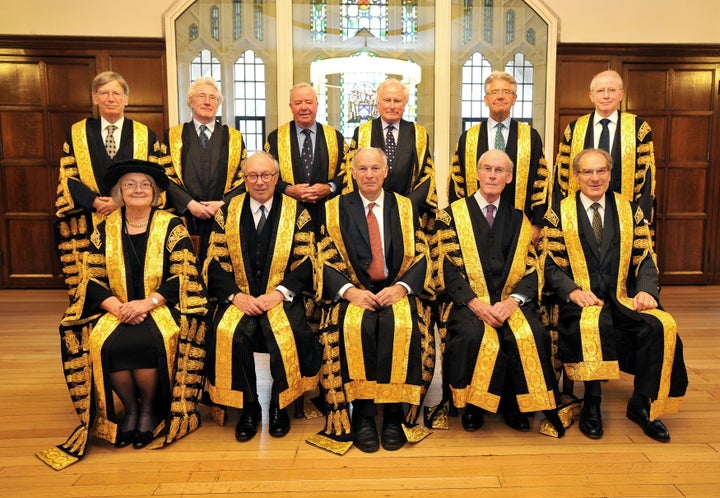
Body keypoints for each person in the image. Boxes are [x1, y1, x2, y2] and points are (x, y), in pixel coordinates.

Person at [37, 159, 208, 470]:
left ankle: (149, 412)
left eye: (145, 185)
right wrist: (117, 307)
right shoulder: (105, 229)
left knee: (144, 342)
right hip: (117, 308)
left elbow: (184, 273)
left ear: (156, 192)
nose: (138, 189)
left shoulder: (171, 226)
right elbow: (89, 276)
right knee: (109, 343)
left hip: (159, 308)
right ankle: (131, 409)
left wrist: (147, 303)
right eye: (130, 185)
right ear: (119, 192)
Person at [543, 148, 687, 442]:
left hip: (624, 295)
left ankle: (642, 403)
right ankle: (592, 403)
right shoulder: (558, 213)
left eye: (601, 171)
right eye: (587, 172)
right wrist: (572, 291)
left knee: (659, 326)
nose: (594, 178)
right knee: (592, 324)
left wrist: (647, 290)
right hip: (582, 298)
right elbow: (548, 262)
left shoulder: (630, 210)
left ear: (610, 174)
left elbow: (645, 256)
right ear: (576, 176)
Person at [309, 147, 435, 454]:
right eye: (362, 169)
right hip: (353, 289)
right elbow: (322, 254)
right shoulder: (334, 208)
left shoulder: (404, 207)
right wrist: (349, 291)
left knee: (400, 325)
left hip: (395, 287)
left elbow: (422, 251)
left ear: (385, 171)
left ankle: (393, 416)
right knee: (356, 326)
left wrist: (403, 287)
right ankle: (364, 416)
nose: (369, 174)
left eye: (375, 168)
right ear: (352, 173)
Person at [431, 149, 564, 437]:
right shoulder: (451, 216)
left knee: (530, 333)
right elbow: (444, 265)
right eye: (487, 169)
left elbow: (532, 267)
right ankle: (473, 406)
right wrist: (474, 302)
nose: (492, 175)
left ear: (509, 177)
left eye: (499, 170)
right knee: (473, 335)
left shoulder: (520, 219)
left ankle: (517, 405)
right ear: (477, 174)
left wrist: (514, 301)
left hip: (509, 300)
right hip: (468, 301)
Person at [202, 151, 321, 442]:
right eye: (252, 176)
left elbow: (307, 262)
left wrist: (279, 294)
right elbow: (214, 262)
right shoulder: (226, 212)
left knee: (290, 329)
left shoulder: (298, 212)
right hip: (240, 297)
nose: (259, 182)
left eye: (266, 175)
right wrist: (235, 296)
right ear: (244, 179)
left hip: (281, 297)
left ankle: (280, 403)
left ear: (277, 178)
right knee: (228, 332)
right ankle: (249, 406)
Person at [55, 71, 162, 299]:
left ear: (126, 98)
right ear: (95, 97)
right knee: (93, 277)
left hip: (131, 215)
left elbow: (155, 178)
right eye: (104, 93)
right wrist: (94, 201)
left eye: (116, 92)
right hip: (89, 214)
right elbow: (68, 175)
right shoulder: (77, 133)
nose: (110, 98)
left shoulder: (145, 134)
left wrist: (118, 200)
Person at [447, 71, 550, 245]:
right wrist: (459, 220)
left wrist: (537, 224)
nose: (500, 97)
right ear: (486, 99)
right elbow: (457, 182)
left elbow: (540, 182)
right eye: (494, 92)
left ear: (514, 98)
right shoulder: (469, 137)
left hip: (519, 224)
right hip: (475, 224)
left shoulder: (530, 137)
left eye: (506, 92)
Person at [552, 70, 656, 233]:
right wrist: (559, 214)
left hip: (624, 213)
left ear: (621, 94)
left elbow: (646, 178)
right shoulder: (574, 129)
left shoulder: (638, 128)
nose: (606, 96)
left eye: (612, 90)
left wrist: (640, 218)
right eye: (600, 91)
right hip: (581, 212)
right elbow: (562, 176)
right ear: (591, 96)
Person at [161, 76, 247, 261]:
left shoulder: (234, 138)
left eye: (213, 98)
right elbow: (164, 175)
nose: (207, 102)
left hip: (222, 216)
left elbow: (244, 179)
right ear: (191, 102)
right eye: (201, 96)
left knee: (220, 268)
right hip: (184, 217)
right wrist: (189, 204)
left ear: (218, 104)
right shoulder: (173, 136)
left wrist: (222, 204)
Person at [342, 78, 437, 232]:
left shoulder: (419, 134)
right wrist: (370, 203)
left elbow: (427, 177)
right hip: (369, 211)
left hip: (406, 212)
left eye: (397, 101)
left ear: (405, 105)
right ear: (378, 103)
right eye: (387, 100)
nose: (392, 106)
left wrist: (404, 205)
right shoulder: (362, 132)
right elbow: (351, 173)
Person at [264, 82, 347, 220]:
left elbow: (346, 171)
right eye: (298, 103)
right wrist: (287, 189)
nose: (304, 108)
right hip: (287, 212)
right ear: (291, 107)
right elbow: (266, 173)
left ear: (317, 105)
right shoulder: (275, 138)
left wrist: (329, 187)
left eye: (309, 102)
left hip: (327, 211)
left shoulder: (335, 137)